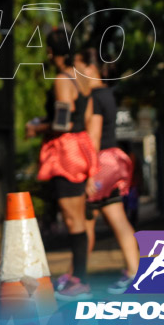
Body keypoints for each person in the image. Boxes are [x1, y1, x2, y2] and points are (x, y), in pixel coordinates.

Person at [26, 31, 97, 301]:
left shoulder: (61, 79)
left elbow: (62, 122)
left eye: (47, 49)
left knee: (72, 220)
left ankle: (79, 280)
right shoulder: (81, 74)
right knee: (77, 218)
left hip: (65, 153)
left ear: (52, 52)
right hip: (80, 147)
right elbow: (84, 115)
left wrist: (36, 127)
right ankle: (79, 279)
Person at [74, 49, 139, 294]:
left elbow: (94, 135)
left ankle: (77, 279)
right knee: (118, 219)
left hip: (102, 163)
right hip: (115, 160)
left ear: (91, 68)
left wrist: (90, 173)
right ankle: (133, 272)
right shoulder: (107, 95)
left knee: (84, 222)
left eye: (79, 67)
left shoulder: (94, 97)